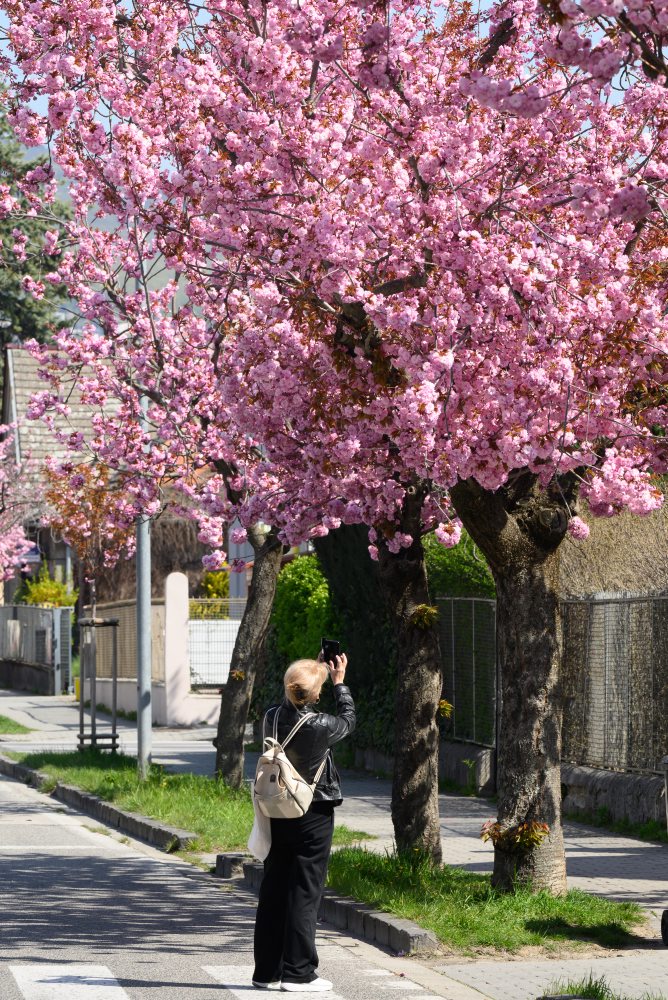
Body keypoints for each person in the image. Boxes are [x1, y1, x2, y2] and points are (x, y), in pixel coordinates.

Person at [252, 652, 355, 993]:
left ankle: (267, 971)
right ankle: (298, 973)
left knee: (274, 887)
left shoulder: (270, 717)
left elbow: (293, 697)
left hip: (276, 807)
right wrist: (339, 683)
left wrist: (315, 666)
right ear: (316, 693)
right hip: (312, 810)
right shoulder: (320, 725)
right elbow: (349, 720)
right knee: (304, 890)